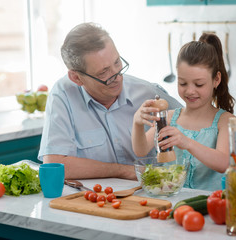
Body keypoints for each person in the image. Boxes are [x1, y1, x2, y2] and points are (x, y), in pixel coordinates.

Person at [38, 22, 181, 180]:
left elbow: (195, 118)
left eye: (117, 63)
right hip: (96, 198)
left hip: (152, 191)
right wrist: (124, 171)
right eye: (104, 72)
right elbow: (55, 164)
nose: (118, 77)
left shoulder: (147, 92)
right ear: (76, 78)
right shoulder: (63, 95)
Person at [132, 33, 235, 191]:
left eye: (199, 84)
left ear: (216, 79)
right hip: (171, 200)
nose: (190, 91)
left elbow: (223, 164)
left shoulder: (225, 120)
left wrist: (186, 142)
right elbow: (140, 150)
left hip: (210, 204)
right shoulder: (170, 117)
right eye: (183, 83)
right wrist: (137, 123)